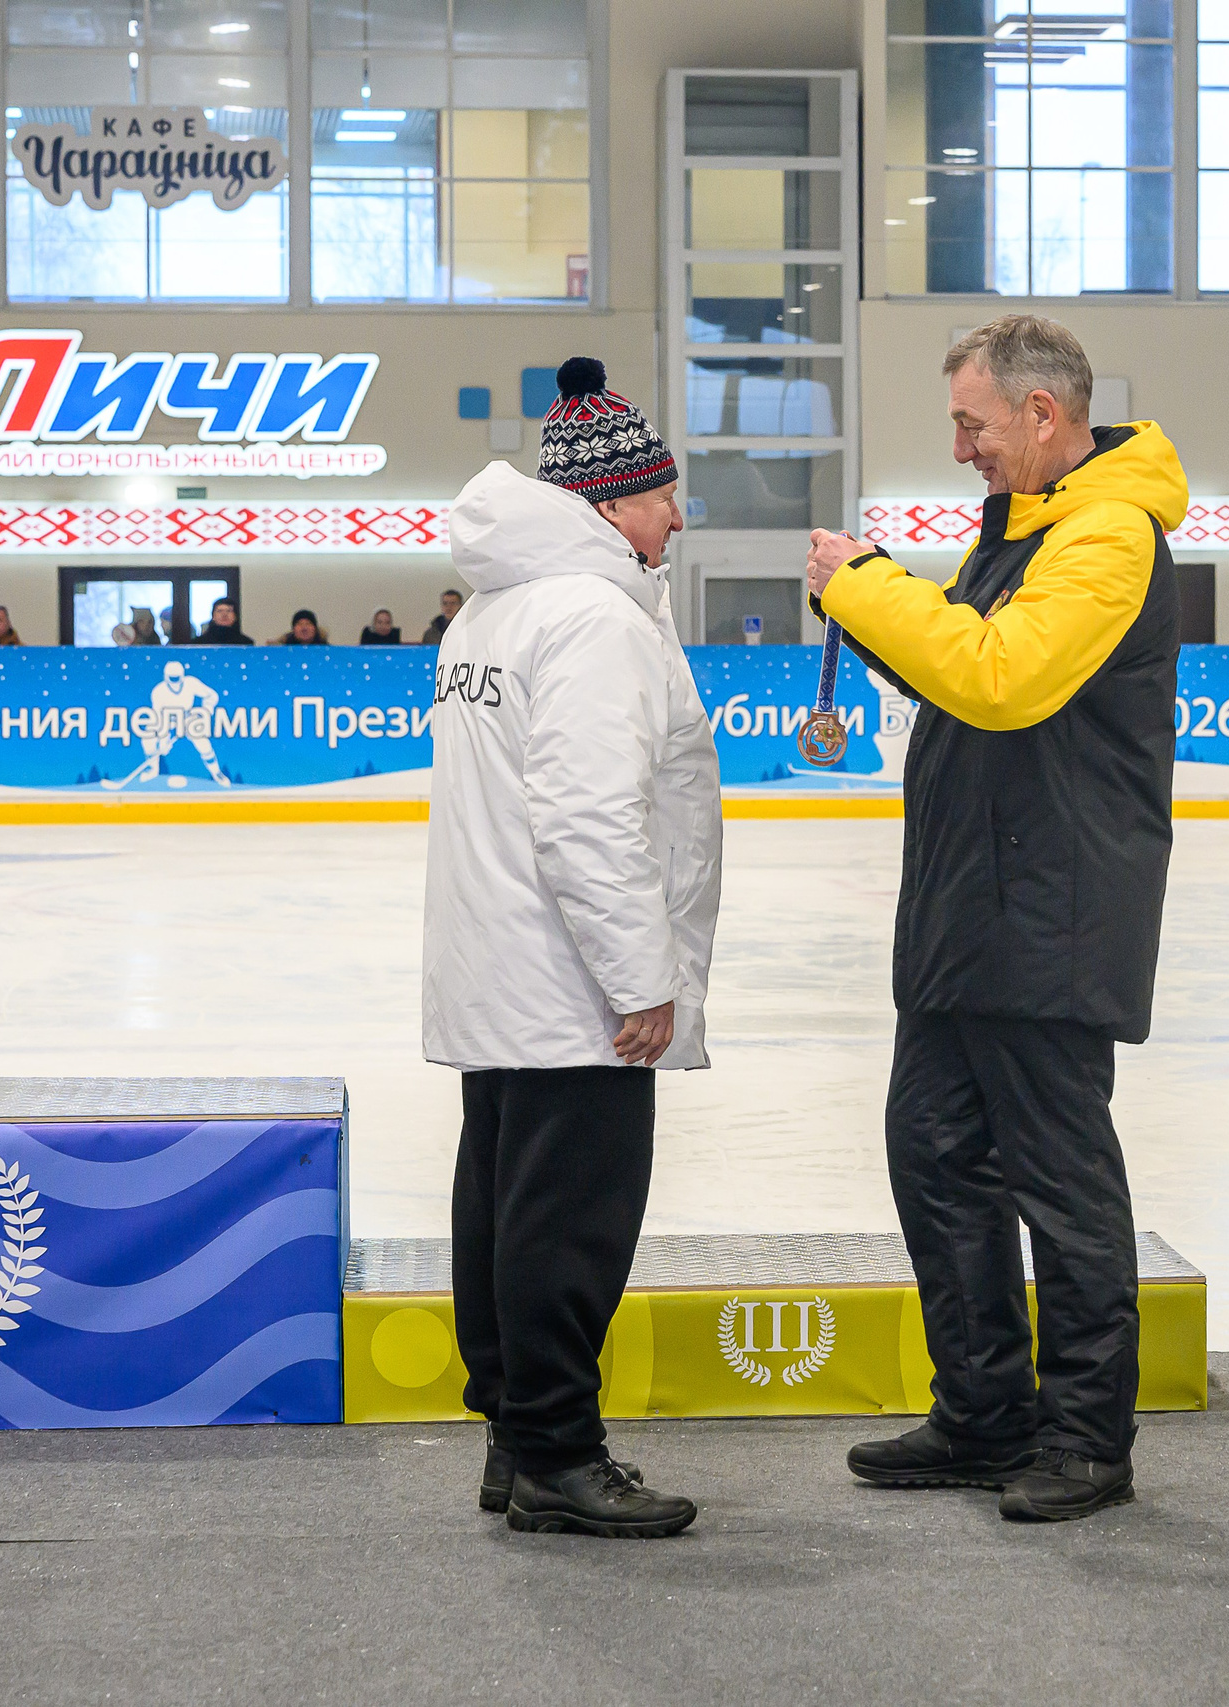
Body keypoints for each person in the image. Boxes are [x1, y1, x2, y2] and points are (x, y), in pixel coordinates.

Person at [804, 313, 1182, 1524]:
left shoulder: (1107, 536)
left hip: (1051, 912)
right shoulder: (1021, 527)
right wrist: (875, 614)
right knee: (935, 1155)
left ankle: (1084, 1436)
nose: (961, 445)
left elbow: (1006, 680)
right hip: (972, 910)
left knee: (1059, 1185)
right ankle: (982, 1415)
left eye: (972, 422)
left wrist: (868, 586)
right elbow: (962, 663)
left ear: (1040, 413)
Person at [425, 357, 722, 1541]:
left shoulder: (493, 608)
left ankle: (512, 1432)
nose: (676, 517)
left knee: (501, 1201)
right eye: (662, 497)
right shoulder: (595, 616)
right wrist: (639, 976)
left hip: (503, 974)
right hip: (570, 986)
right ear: (609, 505)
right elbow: (588, 815)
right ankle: (556, 1451)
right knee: (568, 1221)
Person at [102, 658, 231, 790]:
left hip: (187, 719)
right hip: (166, 720)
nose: (175, 683)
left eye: (177, 678)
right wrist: (163, 742)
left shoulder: (191, 683)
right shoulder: (158, 692)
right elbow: (158, 719)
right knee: (148, 739)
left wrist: (204, 712)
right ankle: (152, 769)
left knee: (203, 743)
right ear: (165, 677)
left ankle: (216, 773)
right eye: (172, 678)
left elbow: (212, 696)